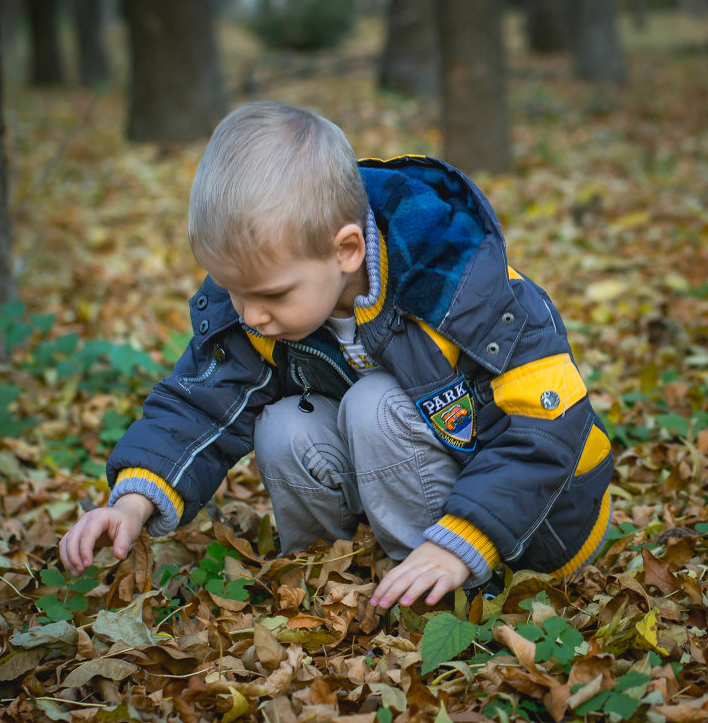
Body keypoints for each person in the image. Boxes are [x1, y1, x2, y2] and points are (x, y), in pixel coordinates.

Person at [57, 102, 614, 609]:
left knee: (374, 404)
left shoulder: (461, 286)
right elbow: (202, 403)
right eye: (233, 292)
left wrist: (463, 543)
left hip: (539, 527)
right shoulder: (267, 306)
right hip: (421, 485)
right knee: (282, 426)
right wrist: (131, 502)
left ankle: (447, 601)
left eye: (271, 294)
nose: (249, 314)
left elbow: (548, 426)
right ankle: (334, 574)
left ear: (346, 250)